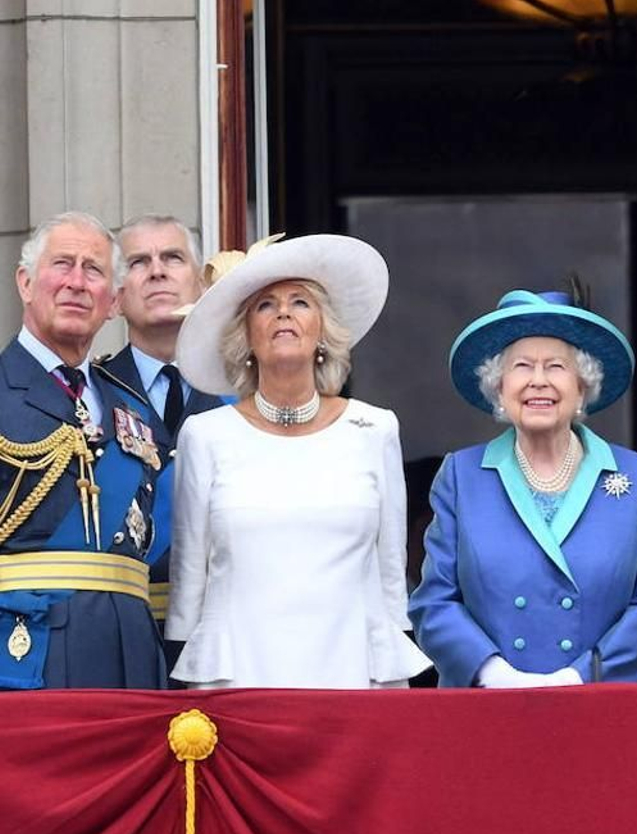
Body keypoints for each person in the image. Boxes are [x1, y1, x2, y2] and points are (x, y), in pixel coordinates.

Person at [165, 233, 430, 688]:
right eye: (265, 305)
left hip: (351, 673)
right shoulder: (205, 435)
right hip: (238, 679)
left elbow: (391, 582)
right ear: (245, 337)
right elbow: (189, 583)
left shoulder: (375, 428)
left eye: (300, 302)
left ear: (324, 330)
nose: (283, 312)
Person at [410, 288, 637, 687]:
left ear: (583, 387)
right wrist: (493, 674)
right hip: (485, 709)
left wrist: (580, 677)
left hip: (599, 707)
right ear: (499, 388)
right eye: (522, 366)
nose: (539, 381)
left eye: (556, 367)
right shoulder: (461, 476)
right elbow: (434, 601)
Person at [0, 212, 166, 689]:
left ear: (113, 301)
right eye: (62, 264)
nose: (76, 282)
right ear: (26, 282)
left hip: (128, 654)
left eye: (92, 270)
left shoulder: (132, 406)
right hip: (25, 652)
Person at [103, 215, 224, 628]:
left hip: (223, 627)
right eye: (138, 262)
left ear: (202, 286)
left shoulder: (243, 394)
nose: (157, 270)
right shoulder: (91, 396)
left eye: (172, 258)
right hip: (127, 627)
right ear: (115, 298)